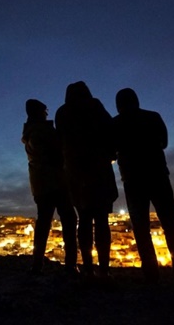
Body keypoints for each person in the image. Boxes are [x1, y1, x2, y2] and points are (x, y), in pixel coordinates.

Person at [112, 88, 174, 287]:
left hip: (132, 179)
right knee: (171, 226)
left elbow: (111, 151)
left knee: (141, 229)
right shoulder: (152, 117)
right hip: (157, 175)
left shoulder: (116, 123)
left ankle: (151, 276)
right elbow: (164, 142)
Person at [55, 81, 118, 278]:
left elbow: (61, 140)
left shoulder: (62, 113)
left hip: (75, 173)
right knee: (101, 220)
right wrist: (110, 155)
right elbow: (110, 132)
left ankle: (88, 267)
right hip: (99, 170)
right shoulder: (95, 106)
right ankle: (104, 268)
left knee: (83, 219)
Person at [22, 99, 78, 275]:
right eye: (45, 110)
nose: (48, 113)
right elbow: (55, 154)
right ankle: (70, 264)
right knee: (69, 220)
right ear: (39, 112)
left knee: (44, 222)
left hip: (40, 183)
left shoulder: (31, 132)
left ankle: (37, 263)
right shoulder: (42, 131)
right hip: (56, 181)